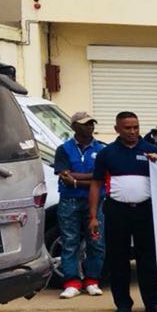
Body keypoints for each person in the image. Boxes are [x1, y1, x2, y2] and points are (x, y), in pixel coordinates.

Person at [88, 111, 157, 312]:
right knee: (118, 258)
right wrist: (93, 216)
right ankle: (122, 303)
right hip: (117, 211)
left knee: (148, 258)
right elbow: (96, 184)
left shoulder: (153, 150)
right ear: (117, 129)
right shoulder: (107, 153)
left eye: (136, 127)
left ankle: (153, 302)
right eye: (127, 128)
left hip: (145, 210)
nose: (132, 131)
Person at [51, 111, 107, 299]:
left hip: (96, 201)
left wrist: (76, 180)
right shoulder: (64, 149)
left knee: (96, 241)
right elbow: (64, 175)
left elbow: (102, 176)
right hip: (70, 200)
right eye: (85, 124)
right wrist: (90, 179)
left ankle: (92, 280)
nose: (90, 126)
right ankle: (72, 282)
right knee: (70, 241)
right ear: (74, 126)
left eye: (92, 123)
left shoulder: (101, 149)